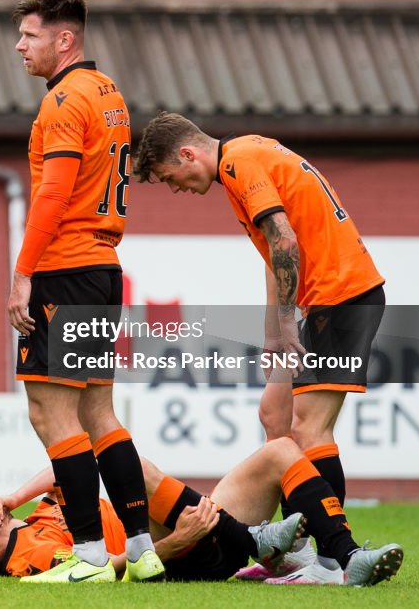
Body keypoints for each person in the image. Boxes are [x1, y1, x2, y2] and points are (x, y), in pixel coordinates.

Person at [131, 112, 397, 584]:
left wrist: (287, 321)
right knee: (275, 417)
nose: (180, 189)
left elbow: (285, 242)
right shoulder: (247, 151)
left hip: (341, 297)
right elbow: (275, 252)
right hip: (326, 299)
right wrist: (275, 332)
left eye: (173, 179)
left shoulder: (239, 164)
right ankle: (284, 551)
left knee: (309, 427)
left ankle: (333, 561)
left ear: (187, 154)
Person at [4, 0, 161, 584]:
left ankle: (92, 555)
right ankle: (142, 549)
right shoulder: (109, 93)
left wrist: (23, 273)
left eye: (30, 34)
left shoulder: (65, 102)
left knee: (50, 411)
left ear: (64, 39)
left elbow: (53, 192)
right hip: (101, 266)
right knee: (98, 409)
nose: (20, 45)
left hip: (65, 267)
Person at [0, 436, 402, 587]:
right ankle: (260, 544)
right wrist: (174, 542)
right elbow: (104, 574)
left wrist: (12, 498)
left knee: (281, 450)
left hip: (204, 530)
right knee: (129, 464)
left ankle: (344, 558)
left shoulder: (36, 517)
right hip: (184, 553)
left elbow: (69, 467)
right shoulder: (28, 556)